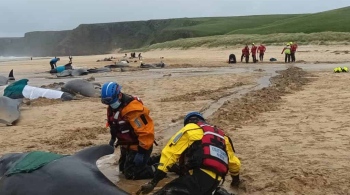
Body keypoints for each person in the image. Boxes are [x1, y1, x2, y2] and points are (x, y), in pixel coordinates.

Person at [137, 112, 241, 195]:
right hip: (215, 181)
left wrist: (154, 182)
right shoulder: (223, 137)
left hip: (198, 177)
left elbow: (170, 153)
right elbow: (234, 163)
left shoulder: (190, 129)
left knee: (166, 192)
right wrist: (235, 181)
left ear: (189, 122)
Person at [101, 82, 158, 180]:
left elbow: (146, 132)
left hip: (140, 145)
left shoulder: (133, 110)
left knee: (132, 174)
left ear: (119, 95)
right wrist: (112, 139)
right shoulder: (112, 107)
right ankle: (154, 160)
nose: (109, 104)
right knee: (122, 169)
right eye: (106, 102)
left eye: (110, 101)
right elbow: (114, 125)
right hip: (126, 145)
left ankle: (162, 168)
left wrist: (141, 152)